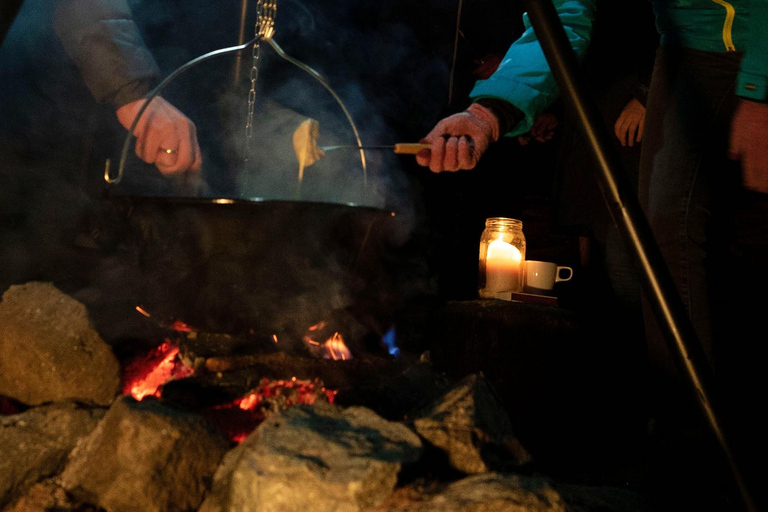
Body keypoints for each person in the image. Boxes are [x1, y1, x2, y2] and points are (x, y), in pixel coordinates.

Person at [415, 0, 768, 510]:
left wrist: (761, 89)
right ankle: (688, 458)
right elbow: (559, 18)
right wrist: (488, 112)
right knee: (660, 245)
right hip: (690, 47)